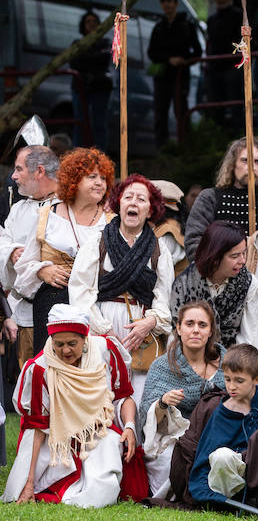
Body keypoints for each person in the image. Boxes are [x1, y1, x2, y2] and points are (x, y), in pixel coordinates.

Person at [3, 304, 142, 507]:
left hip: (97, 433)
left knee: (104, 490)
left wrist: (129, 426)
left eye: (72, 343)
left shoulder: (105, 350)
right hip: (55, 437)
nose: (65, 350)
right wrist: (29, 482)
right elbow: (36, 427)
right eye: (58, 344)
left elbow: (123, 396)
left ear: (85, 338)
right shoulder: (40, 369)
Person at [69, 175, 175, 405]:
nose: (134, 203)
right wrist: (103, 330)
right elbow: (80, 291)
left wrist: (151, 322)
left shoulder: (159, 250)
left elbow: (164, 296)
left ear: (151, 209)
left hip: (142, 334)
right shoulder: (98, 242)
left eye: (141, 199)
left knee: (139, 397)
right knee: (103, 393)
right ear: (119, 204)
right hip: (102, 328)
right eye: (128, 197)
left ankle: (136, 439)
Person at [15, 148, 113, 340]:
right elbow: (23, 267)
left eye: (103, 178)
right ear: (73, 180)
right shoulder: (47, 216)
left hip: (96, 311)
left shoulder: (111, 222)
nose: (99, 183)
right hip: (52, 309)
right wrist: (41, 271)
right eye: (92, 177)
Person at [184, 344, 258, 515]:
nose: (231, 386)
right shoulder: (220, 414)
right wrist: (206, 495)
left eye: (239, 381)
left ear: (257, 379)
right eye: (227, 379)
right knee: (221, 456)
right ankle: (233, 503)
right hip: (234, 477)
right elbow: (203, 460)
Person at [138, 301, 224, 498]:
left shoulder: (227, 363)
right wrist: (163, 402)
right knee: (170, 459)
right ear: (178, 327)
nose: (196, 330)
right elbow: (146, 417)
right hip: (175, 437)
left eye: (202, 325)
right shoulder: (162, 366)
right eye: (189, 324)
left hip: (217, 434)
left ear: (210, 331)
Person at [2, 145, 61, 364]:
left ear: (39, 171)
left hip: (59, 315)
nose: (14, 176)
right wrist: (11, 252)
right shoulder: (18, 209)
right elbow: (3, 239)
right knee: (26, 382)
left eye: (19, 169)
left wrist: (40, 267)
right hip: (23, 315)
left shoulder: (67, 208)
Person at [170, 221, 258, 353]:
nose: (243, 261)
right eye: (234, 256)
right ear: (215, 257)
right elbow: (175, 334)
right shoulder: (184, 283)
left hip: (233, 364)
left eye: (244, 253)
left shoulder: (248, 284)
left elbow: (254, 337)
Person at [184, 137, 258, 260]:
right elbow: (194, 243)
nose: (251, 167)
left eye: (257, 162)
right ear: (233, 165)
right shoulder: (210, 198)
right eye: (245, 160)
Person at [147, 0, 201, 146]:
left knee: (181, 112)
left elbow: (196, 51)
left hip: (180, 75)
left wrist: (184, 61)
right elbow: (152, 52)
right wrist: (169, 60)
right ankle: (162, 148)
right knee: (160, 112)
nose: (167, 5)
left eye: (170, 1)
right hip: (162, 76)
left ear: (176, 4)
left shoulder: (187, 25)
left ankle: (185, 147)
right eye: (164, 2)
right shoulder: (158, 27)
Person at [70, 10, 113, 149]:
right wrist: (93, 60)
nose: (91, 25)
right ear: (83, 25)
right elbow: (74, 62)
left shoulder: (106, 43)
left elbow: (104, 59)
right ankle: (77, 157)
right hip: (81, 87)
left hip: (100, 87)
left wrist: (86, 59)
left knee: (99, 123)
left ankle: (100, 159)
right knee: (79, 122)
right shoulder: (77, 43)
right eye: (88, 22)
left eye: (94, 22)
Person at [203, 0, 245, 125]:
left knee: (235, 104)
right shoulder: (212, 19)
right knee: (215, 104)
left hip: (233, 65)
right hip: (215, 67)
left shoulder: (239, 15)